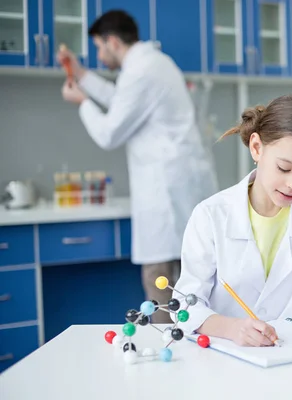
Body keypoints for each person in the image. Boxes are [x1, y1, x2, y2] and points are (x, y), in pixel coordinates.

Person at [59, 10, 218, 323]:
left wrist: (83, 102)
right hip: (177, 187)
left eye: (99, 48)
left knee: (160, 284)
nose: (100, 55)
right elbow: (122, 99)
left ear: (113, 41)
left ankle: (165, 350)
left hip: (165, 192)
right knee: (183, 285)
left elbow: (109, 132)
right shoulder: (154, 64)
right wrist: (82, 75)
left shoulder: (141, 72)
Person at [172, 94, 292, 349]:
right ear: (257, 147)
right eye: (284, 168)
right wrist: (232, 328)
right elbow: (185, 306)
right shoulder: (211, 215)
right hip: (224, 357)